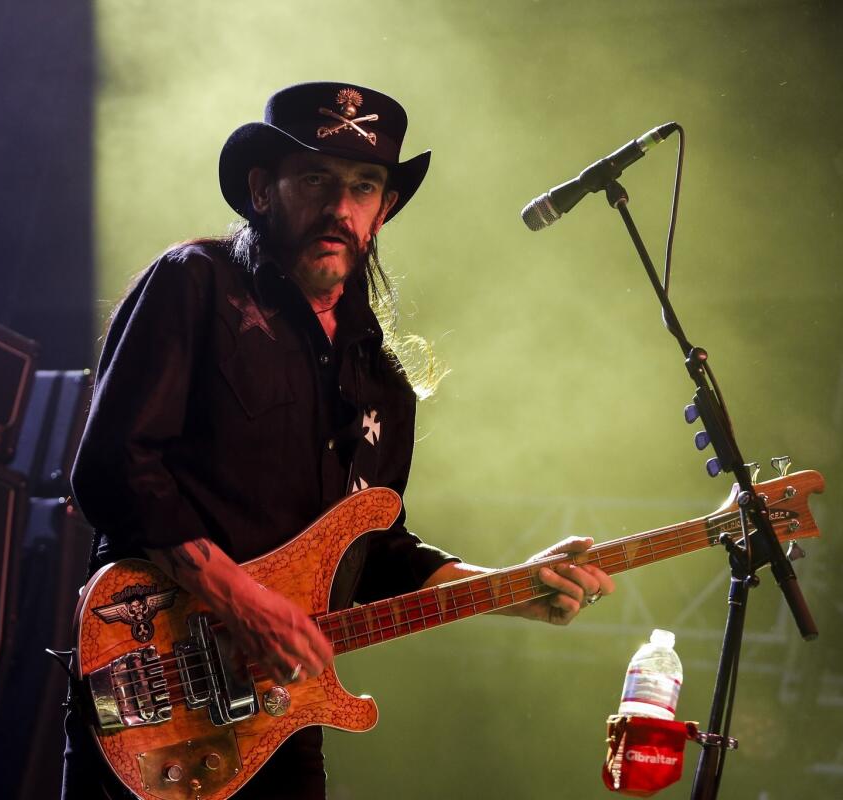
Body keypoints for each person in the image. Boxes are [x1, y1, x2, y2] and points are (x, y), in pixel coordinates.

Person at [63, 81, 616, 800]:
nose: (340, 206)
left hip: (278, 715)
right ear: (263, 189)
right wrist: (243, 600)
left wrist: (506, 590)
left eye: (363, 186)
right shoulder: (196, 284)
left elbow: (373, 549)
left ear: (383, 210)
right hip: (156, 682)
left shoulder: (381, 380)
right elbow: (113, 468)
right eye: (316, 177)